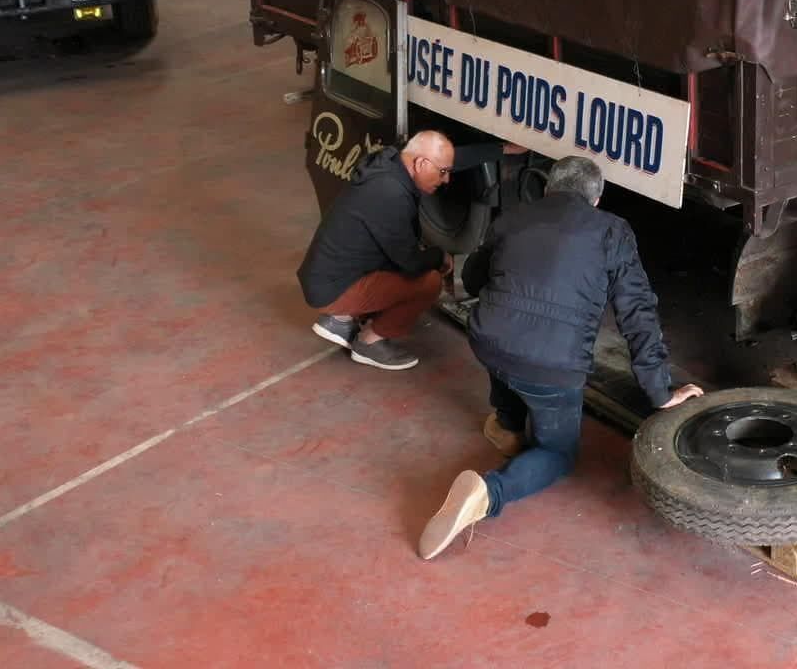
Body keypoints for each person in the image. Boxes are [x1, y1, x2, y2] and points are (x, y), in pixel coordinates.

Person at [418, 156, 702, 560]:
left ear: (549, 188)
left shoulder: (515, 217)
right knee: (557, 453)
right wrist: (660, 392)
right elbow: (637, 313)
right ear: (597, 199)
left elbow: (473, 279)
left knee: (507, 347)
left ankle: (507, 423)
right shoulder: (613, 231)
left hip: (488, 342)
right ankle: (489, 492)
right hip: (552, 366)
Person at [299, 130, 513, 370]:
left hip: (324, 275)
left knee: (408, 263)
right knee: (429, 282)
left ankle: (340, 318)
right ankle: (369, 341)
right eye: (443, 173)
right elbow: (409, 263)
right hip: (332, 289)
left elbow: (448, 159)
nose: (446, 180)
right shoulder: (390, 195)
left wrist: (501, 149)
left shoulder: (392, 163)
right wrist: (439, 255)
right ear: (421, 164)